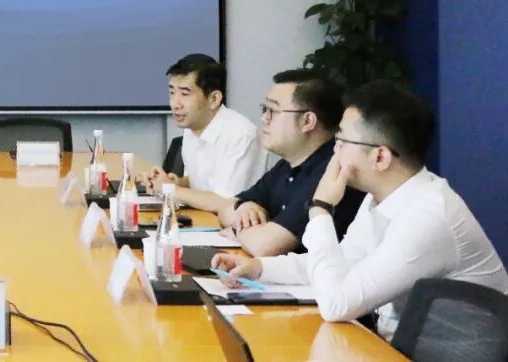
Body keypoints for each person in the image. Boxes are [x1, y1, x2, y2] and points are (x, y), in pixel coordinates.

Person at [213, 81, 508, 338]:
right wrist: (260, 269)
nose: (334, 150)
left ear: (380, 157)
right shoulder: (380, 196)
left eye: (342, 141)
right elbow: (341, 262)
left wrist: (320, 208)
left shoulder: (428, 217)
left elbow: (337, 304)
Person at [170, 69, 364, 256]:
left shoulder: (331, 170)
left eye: (273, 110)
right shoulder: (286, 166)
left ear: (307, 121)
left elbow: (264, 246)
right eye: (265, 109)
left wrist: (238, 231)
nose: (264, 118)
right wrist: (244, 208)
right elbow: (225, 208)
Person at [147, 54, 266, 198]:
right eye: (172, 93)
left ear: (214, 99)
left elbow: (227, 202)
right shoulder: (192, 128)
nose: (175, 104)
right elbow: (199, 183)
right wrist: (175, 182)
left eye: (185, 94)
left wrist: (171, 189)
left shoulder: (241, 136)